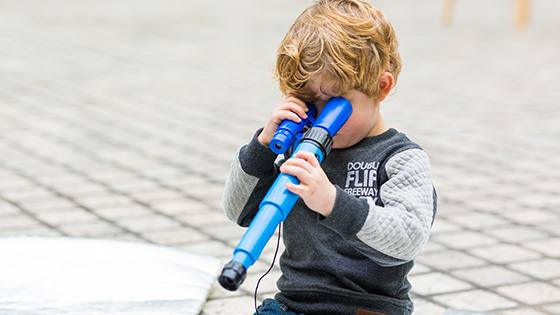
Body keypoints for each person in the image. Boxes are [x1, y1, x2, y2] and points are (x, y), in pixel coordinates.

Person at [222, 0, 437, 314]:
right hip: (294, 306)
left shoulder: (400, 159)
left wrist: (332, 202)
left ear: (381, 87)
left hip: (368, 309)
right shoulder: (299, 147)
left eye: (335, 105)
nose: (319, 119)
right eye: (308, 103)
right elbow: (238, 211)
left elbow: (406, 239)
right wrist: (264, 145)